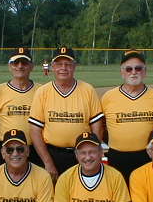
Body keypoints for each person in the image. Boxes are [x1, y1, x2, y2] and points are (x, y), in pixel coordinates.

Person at [28, 46, 104, 181]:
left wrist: (93, 154)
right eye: (59, 64)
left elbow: (97, 127)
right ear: (52, 67)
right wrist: (47, 162)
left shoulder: (88, 90)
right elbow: (35, 130)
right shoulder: (43, 92)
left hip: (82, 153)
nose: (63, 68)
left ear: (74, 66)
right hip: (52, 154)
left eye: (68, 64)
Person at [101, 49, 153, 182]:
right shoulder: (108, 97)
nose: (133, 72)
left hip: (147, 156)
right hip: (117, 156)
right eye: (128, 69)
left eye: (138, 68)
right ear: (122, 72)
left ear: (145, 71)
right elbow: (102, 127)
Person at [0, 47, 41, 169]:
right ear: (10, 66)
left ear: (31, 66)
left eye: (24, 63)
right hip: (6, 149)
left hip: (34, 149)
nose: (20, 66)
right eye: (16, 63)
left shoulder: (41, 90)